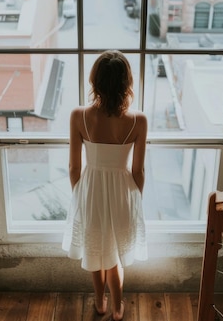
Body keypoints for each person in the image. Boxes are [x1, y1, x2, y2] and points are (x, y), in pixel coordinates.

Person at [62, 50, 148, 321]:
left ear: (95, 81)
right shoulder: (139, 120)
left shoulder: (79, 116)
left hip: (91, 191)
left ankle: (99, 302)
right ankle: (117, 307)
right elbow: (138, 170)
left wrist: (81, 194)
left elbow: (74, 168)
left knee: (95, 249)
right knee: (115, 255)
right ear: (126, 83)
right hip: (123, 192)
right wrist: (134, 200)